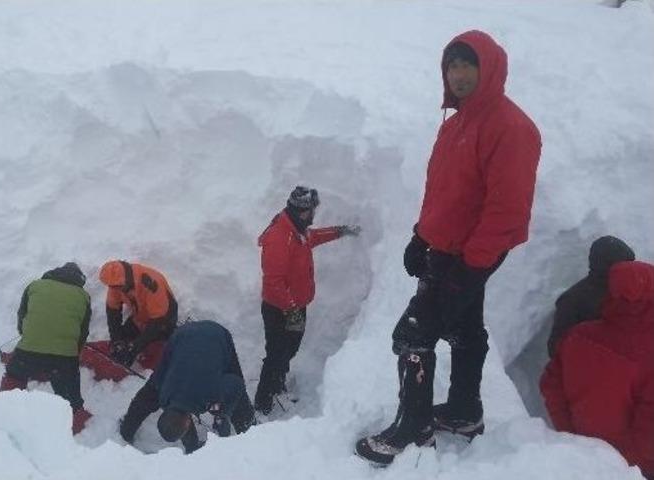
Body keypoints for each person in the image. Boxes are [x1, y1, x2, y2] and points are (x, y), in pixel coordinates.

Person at [355, 30, 541, 465]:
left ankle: (414, 428)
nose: (458, 75)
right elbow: (444, 192)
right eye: (451, 66)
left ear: (489, 68)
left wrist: (472, 266)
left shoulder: (511, 128)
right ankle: (463, 411)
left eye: (467, 65)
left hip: (471, 254)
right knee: (465, 329)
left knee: (412, 335)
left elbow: (507, 209)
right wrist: (422, 235)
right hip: (447, 248)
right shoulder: (456, 124)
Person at [540, 261, 654, 479]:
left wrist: (569, 431)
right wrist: (628, 460)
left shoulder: (579, 335)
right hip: (637, 467)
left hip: (585, 453)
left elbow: (550, 384)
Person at [253, 185, 361, 415]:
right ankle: (262, 403)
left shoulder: (297, 230)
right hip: (279, 309)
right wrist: (291, 310)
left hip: (296, 307)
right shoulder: (280, 238)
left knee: (290, 348)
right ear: (303, 211)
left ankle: (278, 384)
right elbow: (273, 282)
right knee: (275, 354)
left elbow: (314, 237)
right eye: (312, 210)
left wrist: (340, 231)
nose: (314, 215)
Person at [119, 320, 255, 454]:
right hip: (183, 335)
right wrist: (192, 447)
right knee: (150, 394)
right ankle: (126, 430)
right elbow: (144, 400)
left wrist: (223, 412)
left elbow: (237, 384)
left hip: (216, 335)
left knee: (236, 389)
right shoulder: (164, 392)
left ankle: (252, 433)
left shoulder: (210, 394)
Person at [0, 262, 92, 434]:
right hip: (64, 358)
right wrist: (73, 354)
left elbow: (22, 317)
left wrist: (29, 337)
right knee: (69, 391)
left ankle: (3, 412)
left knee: (14, 376)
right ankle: (75, 421)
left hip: (27, 351)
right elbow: (83, 332)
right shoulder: (83, 296)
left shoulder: (34, 286)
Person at [547, 236, 635, 357]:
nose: (632, 270)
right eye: (625, 265)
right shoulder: (573, 300)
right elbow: (557, 348)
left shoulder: (630, 291)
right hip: (593, 367)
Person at [97, 260, 177, 370]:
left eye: (117, 287)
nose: (114, 290)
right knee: (123, 338)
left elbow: (158, 321)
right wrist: (116, 341)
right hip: (140, 318)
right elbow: (113, 313)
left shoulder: (150, 282)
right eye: (111, 287)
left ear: (125, 279)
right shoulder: (115, 284)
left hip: (164, 320)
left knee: (156, 346)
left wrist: (134, 348)